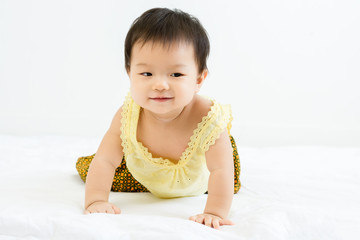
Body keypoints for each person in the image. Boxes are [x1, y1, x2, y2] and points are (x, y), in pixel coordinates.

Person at [76, 7, 240, 230]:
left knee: (228, 170)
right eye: (146, 74)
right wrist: (96, 200)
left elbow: (221, 171)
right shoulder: (128, 115)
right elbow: (105, 161)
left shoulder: (208, 120)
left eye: (176, 74)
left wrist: (213, 212)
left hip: (198, 174)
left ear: (199, 79)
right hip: (145, 173)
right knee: (91, 168)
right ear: (129, 73)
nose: (160, 85)